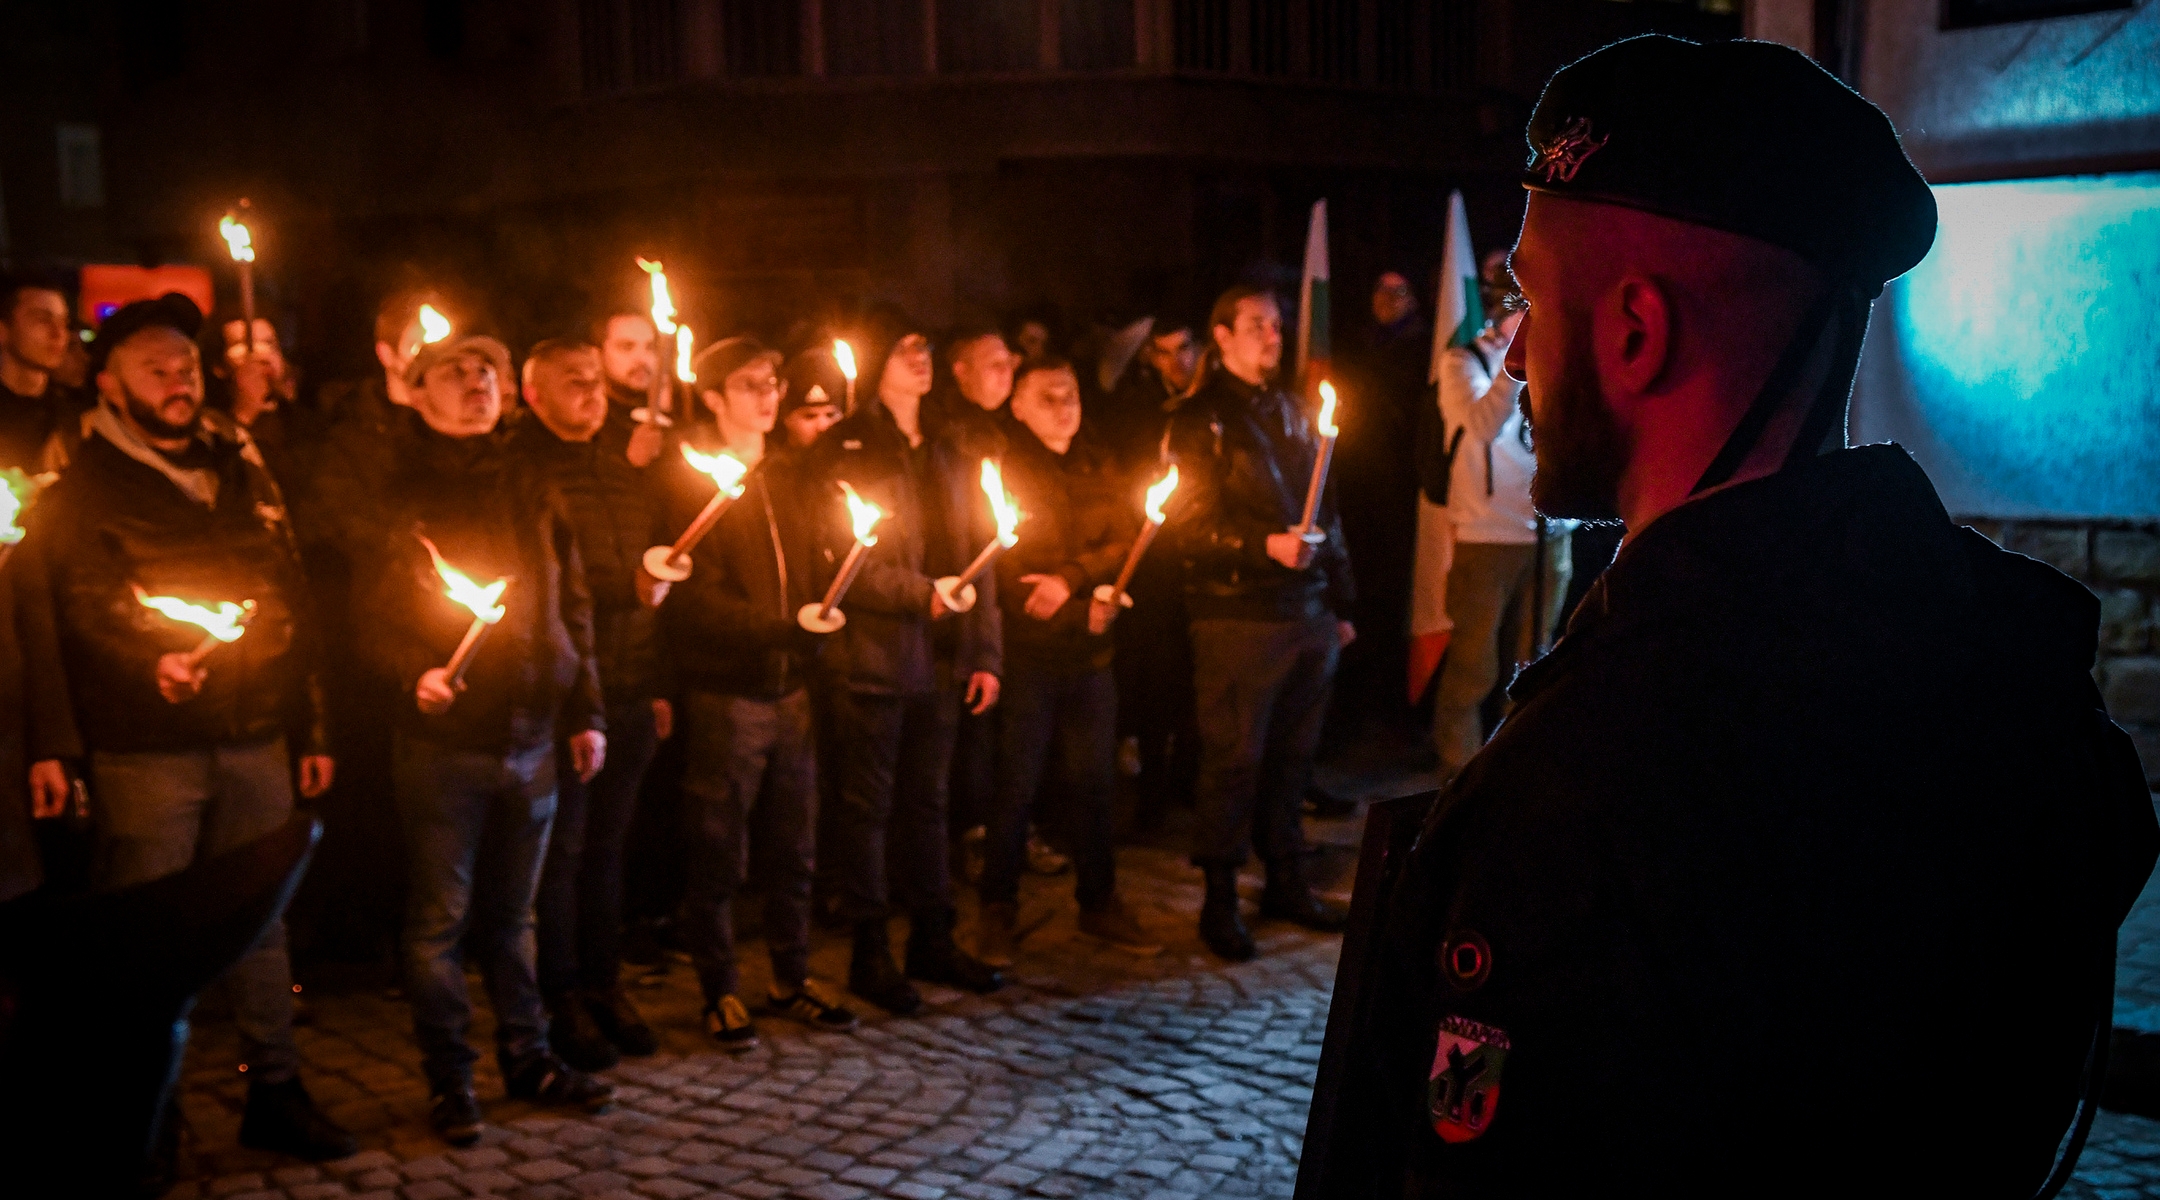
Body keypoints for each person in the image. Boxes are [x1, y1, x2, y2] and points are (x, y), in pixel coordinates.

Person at [1336, 36, 2160, 1195]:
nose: (1512, 349)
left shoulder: (1608, 771)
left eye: (1528, 296)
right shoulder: (2002, 661)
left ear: (1636, 330)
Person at [12, 295, 353, 1160]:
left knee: (260, 925)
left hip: (253, 736)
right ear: (111, 382)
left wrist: (308, 724)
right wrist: (145, 663)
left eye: (187, 369)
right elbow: (80, 606)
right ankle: (145, 1111)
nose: (178, 382)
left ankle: (274, 1089)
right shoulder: (81, 486)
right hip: (146, 751)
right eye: (155, 369)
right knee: (146, 934)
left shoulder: (238, 470)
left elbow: (288, 591)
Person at [330, 332, 614, 1145]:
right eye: (453, 371)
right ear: (415, 394)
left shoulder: (532, 481)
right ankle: (451, 1079)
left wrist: (585, 708)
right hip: (445, 746)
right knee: (440, 921)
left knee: (514, 917)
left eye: (486, 369)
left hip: (533, 734)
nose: (476, 380)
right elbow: (368, 626)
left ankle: (528, 1055)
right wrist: (411, 674)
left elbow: (574, 601)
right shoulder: (399, 493)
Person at [805, 312, 1005, 1014]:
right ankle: (869, 950)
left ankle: (932, 937)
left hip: (942, 663)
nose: (920, 357)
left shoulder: (948, 448)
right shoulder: (847, 447)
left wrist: (983, 648)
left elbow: (983, 549)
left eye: (926, 344)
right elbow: (842, 560)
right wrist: (923, 596)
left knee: (929, 805)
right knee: (869, 810)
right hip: (875, 660)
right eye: (905, 347)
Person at [663, 336, 858, 1051]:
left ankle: (791, 975)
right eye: (749, 385)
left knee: (795, 846)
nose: (769, 395)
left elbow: (811, 565)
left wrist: (820, 611)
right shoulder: (690, 480)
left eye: (772, 380)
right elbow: (691, 598)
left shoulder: (787, 476)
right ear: (712, 398)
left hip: (792, 692)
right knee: (717, 849)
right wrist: (779, 629)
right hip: (729, 694)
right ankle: (720, 990)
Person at [1163, 285, 1356, 962]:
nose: (1272, 336)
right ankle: (1219, 899)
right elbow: (1187, 524)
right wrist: (1259, 547)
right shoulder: (1199, 421)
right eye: (1256, 326)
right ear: (1221, 337)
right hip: (1236, 616)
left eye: (1276, 325)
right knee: (1234, 761)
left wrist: (1341, 601)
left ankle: (1286, 880)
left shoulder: (1295, 411)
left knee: (1293, 761)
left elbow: (1325, 506)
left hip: (1305, 610)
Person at [510, 339, 670, 1071]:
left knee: (612, 849)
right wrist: (626, 591)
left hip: (632, 683)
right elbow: (555, 590)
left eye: (594, 380)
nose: (590, 391)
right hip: (574, 694)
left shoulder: (621, 470)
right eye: (571, 382)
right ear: (533, 394)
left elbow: (648, 585)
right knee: (565, 855)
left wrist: (658, 679)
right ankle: (562, 996)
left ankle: (605, 986)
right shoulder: (527, 475)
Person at [974, 357, 1156, 964]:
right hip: (1029, 659)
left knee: (1095, 783)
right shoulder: (1002, 469)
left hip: (1091, 655)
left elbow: (1124, 537)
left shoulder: (1096, 460)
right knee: (1017, 787)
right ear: (1018, 407)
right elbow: (1009, 572)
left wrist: (1078, 581)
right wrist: (1075, 598)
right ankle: (996, 907)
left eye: (1072, 393)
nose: (1064, 406)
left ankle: (1098, 901)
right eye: (1048, 396)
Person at [1427, 305, 1537, 781]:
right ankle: (1459, 771)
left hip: (1546, 533)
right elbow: (1482, 426)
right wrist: (1515, 365)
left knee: (1535, 664)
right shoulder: (1462, 362)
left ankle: (1518, 770)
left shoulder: (1554, 355)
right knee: (1475, 664)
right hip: (1486, 535)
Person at [0, 273, 86, 474]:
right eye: (42, 320)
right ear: (3, 330)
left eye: (63, 322)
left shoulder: (74, 418)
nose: (58, 334)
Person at [595, 309, 667, 468]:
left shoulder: (673, 420)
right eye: (626, 347)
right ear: (598, 354)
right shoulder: (589, 426)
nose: (642, 359)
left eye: (650, 347)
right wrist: (632, 463)